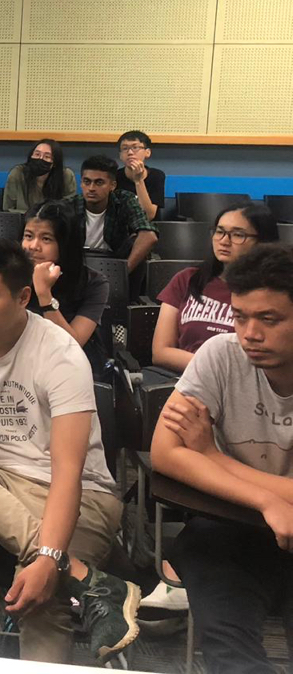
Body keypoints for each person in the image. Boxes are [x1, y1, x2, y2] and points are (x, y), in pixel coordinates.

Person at [0, 237, 141, 664]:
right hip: (0, 484)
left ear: (24, 297)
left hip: (84, 495)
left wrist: (46, 560)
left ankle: (62, 572)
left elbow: (69, 471)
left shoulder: (60, 353)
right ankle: (84, 576)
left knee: (42, 596)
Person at [150, 245, 293, 674]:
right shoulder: (221, 354)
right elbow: (164, 453)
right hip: (230, 525)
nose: (250, 333)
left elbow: (192, 454)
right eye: (240, 316)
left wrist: (212, 456)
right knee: (232, 656)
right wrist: (267, 501)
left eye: (269, 319)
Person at [152, 203, 279, 375]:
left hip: (243, 385)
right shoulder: (188, 279)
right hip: (183, 379)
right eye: (220, 231)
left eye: (238, 234)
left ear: (262, 242)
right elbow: (161, 352)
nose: (224, 241)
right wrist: (211, 371)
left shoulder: (275, 293)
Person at [22, 200, 110, 369]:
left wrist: (44, 294)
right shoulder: (9, 275)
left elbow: (72, 345)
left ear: (65, 244)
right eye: (28, 236)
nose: (33, 246)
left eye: (46, 239)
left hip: (70, 365)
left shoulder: (94, 283)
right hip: (21, 362)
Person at [68, 156, 158, 274]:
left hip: (114, 262)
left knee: (138, 247)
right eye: (87, 182)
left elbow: (149, 236)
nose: (91, 188)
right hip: (79, 263)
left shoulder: (124, 200)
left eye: (99, 183)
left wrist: (123, 273)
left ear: (112, 185)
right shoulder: (71, 205)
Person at [2, 139, 75, 214]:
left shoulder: (66, 176)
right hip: (23, 223)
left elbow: (69, 210)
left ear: (55, 163)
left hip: (55, 223)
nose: (40, 159)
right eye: (37, 154)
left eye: (47, 156)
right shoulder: (17, 174)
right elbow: (8, 210)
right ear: (31, 156)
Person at [116, 131, 165, 222]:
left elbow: (148, 216)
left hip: (148, 229)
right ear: (120, 155)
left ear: (147, 152)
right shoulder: (114, 176)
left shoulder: (156, 176)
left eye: (135, 147)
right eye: (125, 148)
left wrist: (138, 181)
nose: (130, 152)